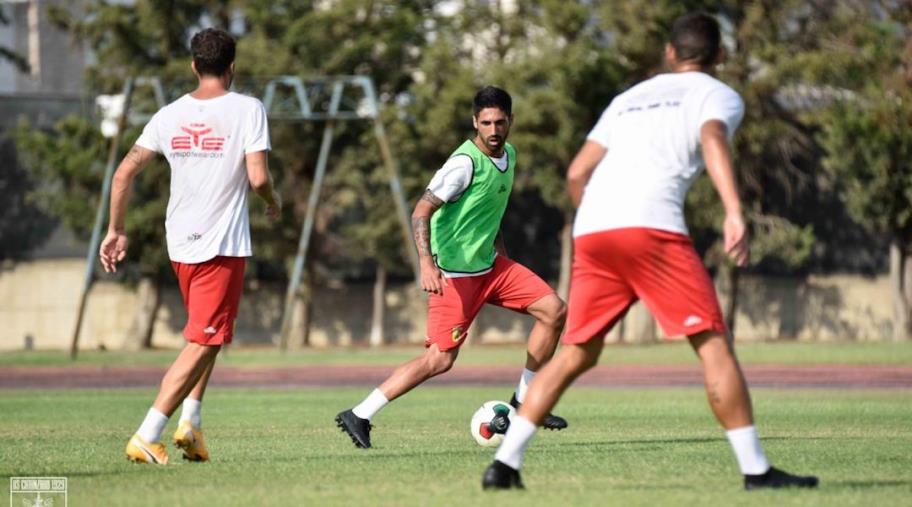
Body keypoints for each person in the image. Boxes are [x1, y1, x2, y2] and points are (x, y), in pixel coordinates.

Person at [482, 13, 819, 490]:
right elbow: (712, 137)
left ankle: (505, 465)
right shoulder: (717, 94)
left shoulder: (628, 98)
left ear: (669, 53)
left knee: (576, 351)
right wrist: (734, 211)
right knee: (712, 343)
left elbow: (577, 173)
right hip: (653, 228)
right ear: (719, 55)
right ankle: (756, 471)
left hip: (595, 231)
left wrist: (600, 222)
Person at [336, 86, 568, 449]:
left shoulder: (509, 155)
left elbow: (490, 212)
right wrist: (426, 264)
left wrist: (501, 253)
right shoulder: (463, 164)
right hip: (455, 278)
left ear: (511, 122)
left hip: (490, 269)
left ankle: (524, 402)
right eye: (486, 123)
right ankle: (360, 414)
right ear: (475, 122)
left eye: (500, 122)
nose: (493, 130)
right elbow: (421, 211)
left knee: (554, 310)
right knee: (440, 360)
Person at [100, 28, 281, 464]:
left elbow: (124, 173)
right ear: (232, 67)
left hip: (180, 244)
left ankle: (191, 424)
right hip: (220, 246)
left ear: (194, 66)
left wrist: (116, 229)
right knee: (202, 339)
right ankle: (148, 432)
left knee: (210, 333)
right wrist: (273, 201)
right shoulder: (248, 108)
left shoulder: (168, 115)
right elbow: (257, 177)